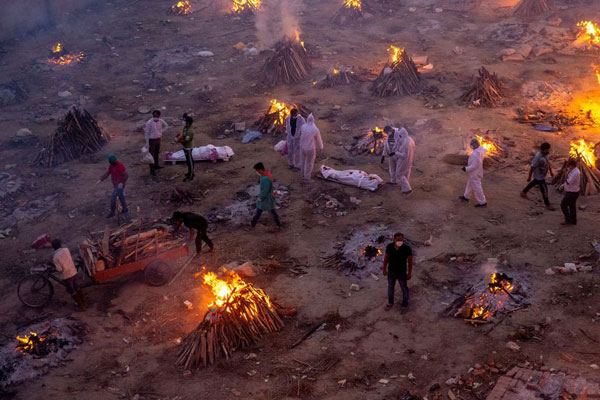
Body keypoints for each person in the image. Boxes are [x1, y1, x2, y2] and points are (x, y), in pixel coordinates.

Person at [51, 239, 86, 310]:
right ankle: (84, 302)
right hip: (73, 271)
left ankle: (81, 306)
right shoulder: (66, 250)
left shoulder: (55, 257)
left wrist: (53, 265)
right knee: (77, 287)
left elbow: (59, 269)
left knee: (72, 291)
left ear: (53, 247)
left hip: (67, 275)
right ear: (60, 244)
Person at [382, 233, 413, 310]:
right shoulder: (389, 247)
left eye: (401, 240)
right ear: (394, 240)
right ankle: (390, 302)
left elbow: (410, 262)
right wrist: (384, 269)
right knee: (390, 287)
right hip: (391, 271)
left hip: (402, 272)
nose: (400, 241)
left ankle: (404, 305)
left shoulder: (407, 248)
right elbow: (386, 259)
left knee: (404, 288)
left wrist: (409, 273)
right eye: (398, 240)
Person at [520, 142, 555, 210]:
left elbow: (548, 163)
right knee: (544, 189)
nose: (548, 151)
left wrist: (550, 171)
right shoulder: (538, 157)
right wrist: (529, 177)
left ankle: (523, 192)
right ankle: (547, 204)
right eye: (547, 150)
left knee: (534, 182)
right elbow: (532, 167)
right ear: (542, 150)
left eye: (548, 150)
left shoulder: (546, 155)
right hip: (539, 176)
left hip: (542, 175)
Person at [383, 126, 415, 195]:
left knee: (400, 173)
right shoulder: (409, 139)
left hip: (401, 157)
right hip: (400, 156)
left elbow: (404, 153)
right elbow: (386, 144)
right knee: (394, 169)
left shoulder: (404, 141)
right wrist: (384, 154)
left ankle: (407, 189)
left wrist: (395, 153)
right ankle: (395, 182)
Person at [250, 162, 282, 229]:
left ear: (260, 170)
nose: (257, 172)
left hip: (266, 198)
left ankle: (252, 224)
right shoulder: (265, 176)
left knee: (261, 211)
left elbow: (265, 190)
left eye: (257, 170)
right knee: (271, 211)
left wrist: (261, 198)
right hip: (268, 198)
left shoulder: (265, 179)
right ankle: (279, 225)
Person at [97, 154, 128, 218]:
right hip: (115, 184)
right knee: (121, 197)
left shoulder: (119, 165)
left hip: (119, 185)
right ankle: (125, 209)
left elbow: (126, 175)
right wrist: (101, 179)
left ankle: (112, 212)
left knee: (113, 199)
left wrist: (121, 183)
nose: (113, 163)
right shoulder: (111, 166)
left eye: (113, 162)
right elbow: (108, 173)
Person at [460, 138, 488, 207]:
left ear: (473, 145)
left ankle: (482, 202)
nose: (470, 146)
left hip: (475, 173)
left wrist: (466, 169)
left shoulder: (475, 154)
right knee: (469, 185)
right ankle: (466, 196)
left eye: (471, 144)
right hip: (474, 173)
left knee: (477, 187)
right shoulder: (479, 151)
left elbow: (474, 165)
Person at [298, 114, 324, 180]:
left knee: (302, 161)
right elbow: (319, 139)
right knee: (309, 163)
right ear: (313, 120)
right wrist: (321, 147)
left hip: (302, 147)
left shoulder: (303, 127)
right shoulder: (315, 129)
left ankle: (302, 174)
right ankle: (307, 177)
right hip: (310, 149)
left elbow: (299, 134)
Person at [144, 110, 168, 176]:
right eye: (154, 116)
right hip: (151, 140)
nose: (155, 117)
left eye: (157, 116)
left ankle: (156, 165)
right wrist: (147, 142)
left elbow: (166, 126)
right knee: (151, 155)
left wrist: (161, 132)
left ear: (159, 116)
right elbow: (147, 132)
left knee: (157, 153)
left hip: (158, 139)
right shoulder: (149, 122)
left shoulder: (161, 121)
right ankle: (152, 169)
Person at [559, 159, 580, 225]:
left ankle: (568, 219)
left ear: (572, 165)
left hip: (572, 192)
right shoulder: (573, 171)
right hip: (572, 191)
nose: (568, 167)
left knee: (563, 205)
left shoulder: (575, 172)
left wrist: (565, 174)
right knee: (571, 206)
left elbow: (568, 182)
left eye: (569, 165)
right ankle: (573, 221)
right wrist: (562, 185)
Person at [176, 115, 195, 181]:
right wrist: (179, 137)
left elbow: (187, 141)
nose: (183, 122)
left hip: (188, 148)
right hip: (185, 147)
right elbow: (183, 136)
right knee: (188, 161)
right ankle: (189, 172)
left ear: (188, 123)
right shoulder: (185, 128)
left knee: (190, 162)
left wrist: (179, 141)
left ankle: (191, 175)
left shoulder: (190, 131)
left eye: (185, 121)